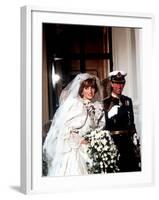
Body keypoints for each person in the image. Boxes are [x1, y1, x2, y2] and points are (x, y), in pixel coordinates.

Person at [43, 73, 105, 176]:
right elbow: (65, 129)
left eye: (92, 88)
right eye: (86, 88)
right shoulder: (75, 104)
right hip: (76, 149)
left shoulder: (97, 107)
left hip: (93, 147)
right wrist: (81, 140)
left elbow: (99, 127)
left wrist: (97, 140)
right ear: (81, 89)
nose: (90, 91)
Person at [103, 70, 141, 172]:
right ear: (111, 84)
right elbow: (105, 126)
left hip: (128, 143)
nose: (119, 87)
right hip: (114, 143)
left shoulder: (128, 100)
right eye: (116, 83)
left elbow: (131, 122)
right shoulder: (105, 102)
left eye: (121, 84)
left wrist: (135, 138)